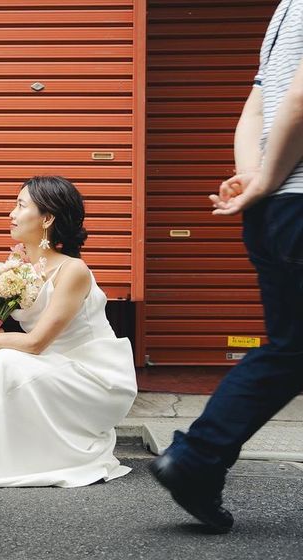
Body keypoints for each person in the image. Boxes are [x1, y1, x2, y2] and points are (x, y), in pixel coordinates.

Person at [150, 0, 303, 534]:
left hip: (274, 210)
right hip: (292, 196)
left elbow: (255, 109)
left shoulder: (285, 11)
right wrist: (264, 180)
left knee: (290, 350)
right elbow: (301, 98)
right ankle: (196, 457)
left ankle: (197, 458)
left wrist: (254, 179)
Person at [0, 176, 137, 488]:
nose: (12, 213)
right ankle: (22, 454)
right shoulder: (21, 270)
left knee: (7, 362)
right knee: (5, 361)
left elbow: (36, 343)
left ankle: (13, 456)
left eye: (21, 205)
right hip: (53, 368)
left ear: (47, 218)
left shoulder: (73, 271)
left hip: (95, 379)